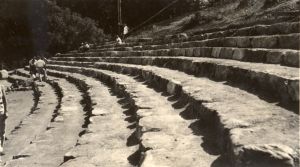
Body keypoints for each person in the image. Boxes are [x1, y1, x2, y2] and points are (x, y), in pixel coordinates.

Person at [0, 84, 7, 156]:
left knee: (2, 130)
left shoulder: (1, 86)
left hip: (1, 110)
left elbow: (5, 99)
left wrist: (6, 111)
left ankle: (1, 147)